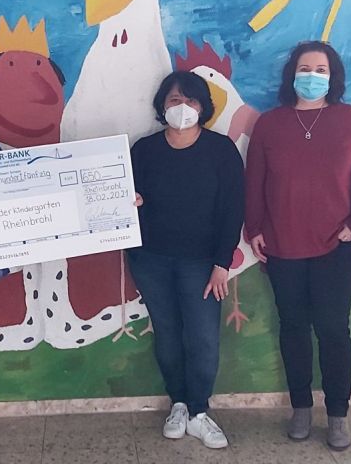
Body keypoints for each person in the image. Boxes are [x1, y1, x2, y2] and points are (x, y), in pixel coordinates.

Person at [245, 41, 351, 451]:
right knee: (293, 328)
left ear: (333, 77)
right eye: (304, 68)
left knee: (333, 330)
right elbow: (255, 181)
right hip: (282, 246)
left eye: (320, 69)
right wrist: (255, 228)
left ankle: (337, 415)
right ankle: (300, 408)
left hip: (337, 246)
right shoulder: (269, 124)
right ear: (291, 74)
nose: (312, 76)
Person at [128, 70, 244, 449]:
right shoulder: (144, 150)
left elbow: (232, 209)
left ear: (203, 107)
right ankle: (178, 403)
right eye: (175, 100)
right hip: (150, 259)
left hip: (202, 263)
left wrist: (222, 263)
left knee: (203, 337)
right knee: (167, 333)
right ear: (162, 105)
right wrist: (131, 202)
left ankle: (198, 411)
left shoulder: (220, 150)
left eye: (190, 100)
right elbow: (124, 197)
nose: (182, 107)